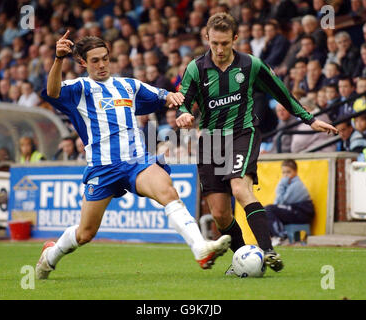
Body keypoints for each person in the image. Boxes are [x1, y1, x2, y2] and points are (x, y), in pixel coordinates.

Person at [36, 31, 231, 280]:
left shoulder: (128, 85)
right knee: (85, 233)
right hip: (102, 167)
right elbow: (52, 91)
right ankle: (50, 256)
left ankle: (200, 248)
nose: (102, 64)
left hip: (136, 162)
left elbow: (160, 95)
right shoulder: (79, 88)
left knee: (168, 192)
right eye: (95, 60)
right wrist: (58, 59)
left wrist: (171, 96)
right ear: (83, 63)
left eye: (105, 58)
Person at [176, 13, 337, 274]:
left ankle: (268, 249)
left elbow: (281, 92)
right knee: (220, 214)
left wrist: (310, 119)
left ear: (235, 39)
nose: (219, 49)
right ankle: (245, 258)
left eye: (225, 43)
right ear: (207, 38)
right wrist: (182, 112)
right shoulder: (196, 68)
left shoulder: (251, 65)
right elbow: (183, 99)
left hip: (243, 133)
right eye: (214, 43)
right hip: (211, 141)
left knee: (240, 188)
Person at [265, 159, 315, 244]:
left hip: (302, 212)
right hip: (294, 210)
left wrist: (281, 184)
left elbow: (281, 202)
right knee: (265, 210)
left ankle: (280, 236)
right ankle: (276, 236)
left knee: (269, 209)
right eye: (283, 172)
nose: (285, 175)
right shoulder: (287, 184)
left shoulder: (297, 185)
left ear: (295, 172)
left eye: (288, 172)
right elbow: (278, 202)